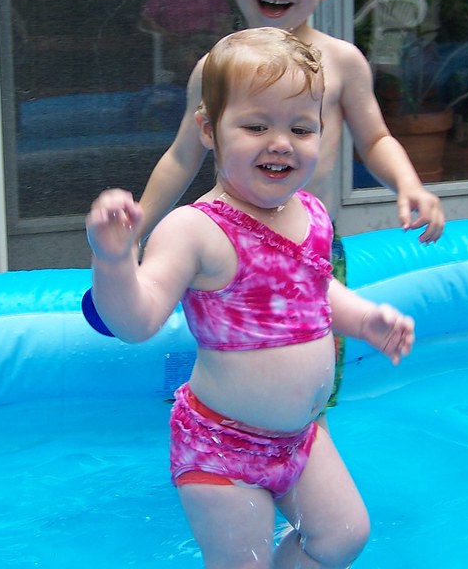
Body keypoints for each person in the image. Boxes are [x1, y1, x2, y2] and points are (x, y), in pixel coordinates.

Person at [85, 28, 414, 568]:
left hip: (299, 439)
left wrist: (364, 320)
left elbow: (313, 293)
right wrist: (114, 259)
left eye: (301, 128)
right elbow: (136, 322)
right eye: (256, 126)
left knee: (344, 536)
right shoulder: (195, 229)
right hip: (222, 450)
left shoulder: (310, 214)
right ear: (208, 129)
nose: (281, 142)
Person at [136, 0, 444, 413]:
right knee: (239, 367)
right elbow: (182, 156)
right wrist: (139, 225)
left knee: (314, 379)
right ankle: (225, 441)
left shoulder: (341, 62)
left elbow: (375, 138)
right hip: (233, 251)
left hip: (311, 248)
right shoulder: (215, 68)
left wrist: (408, 183)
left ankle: (308, 441)